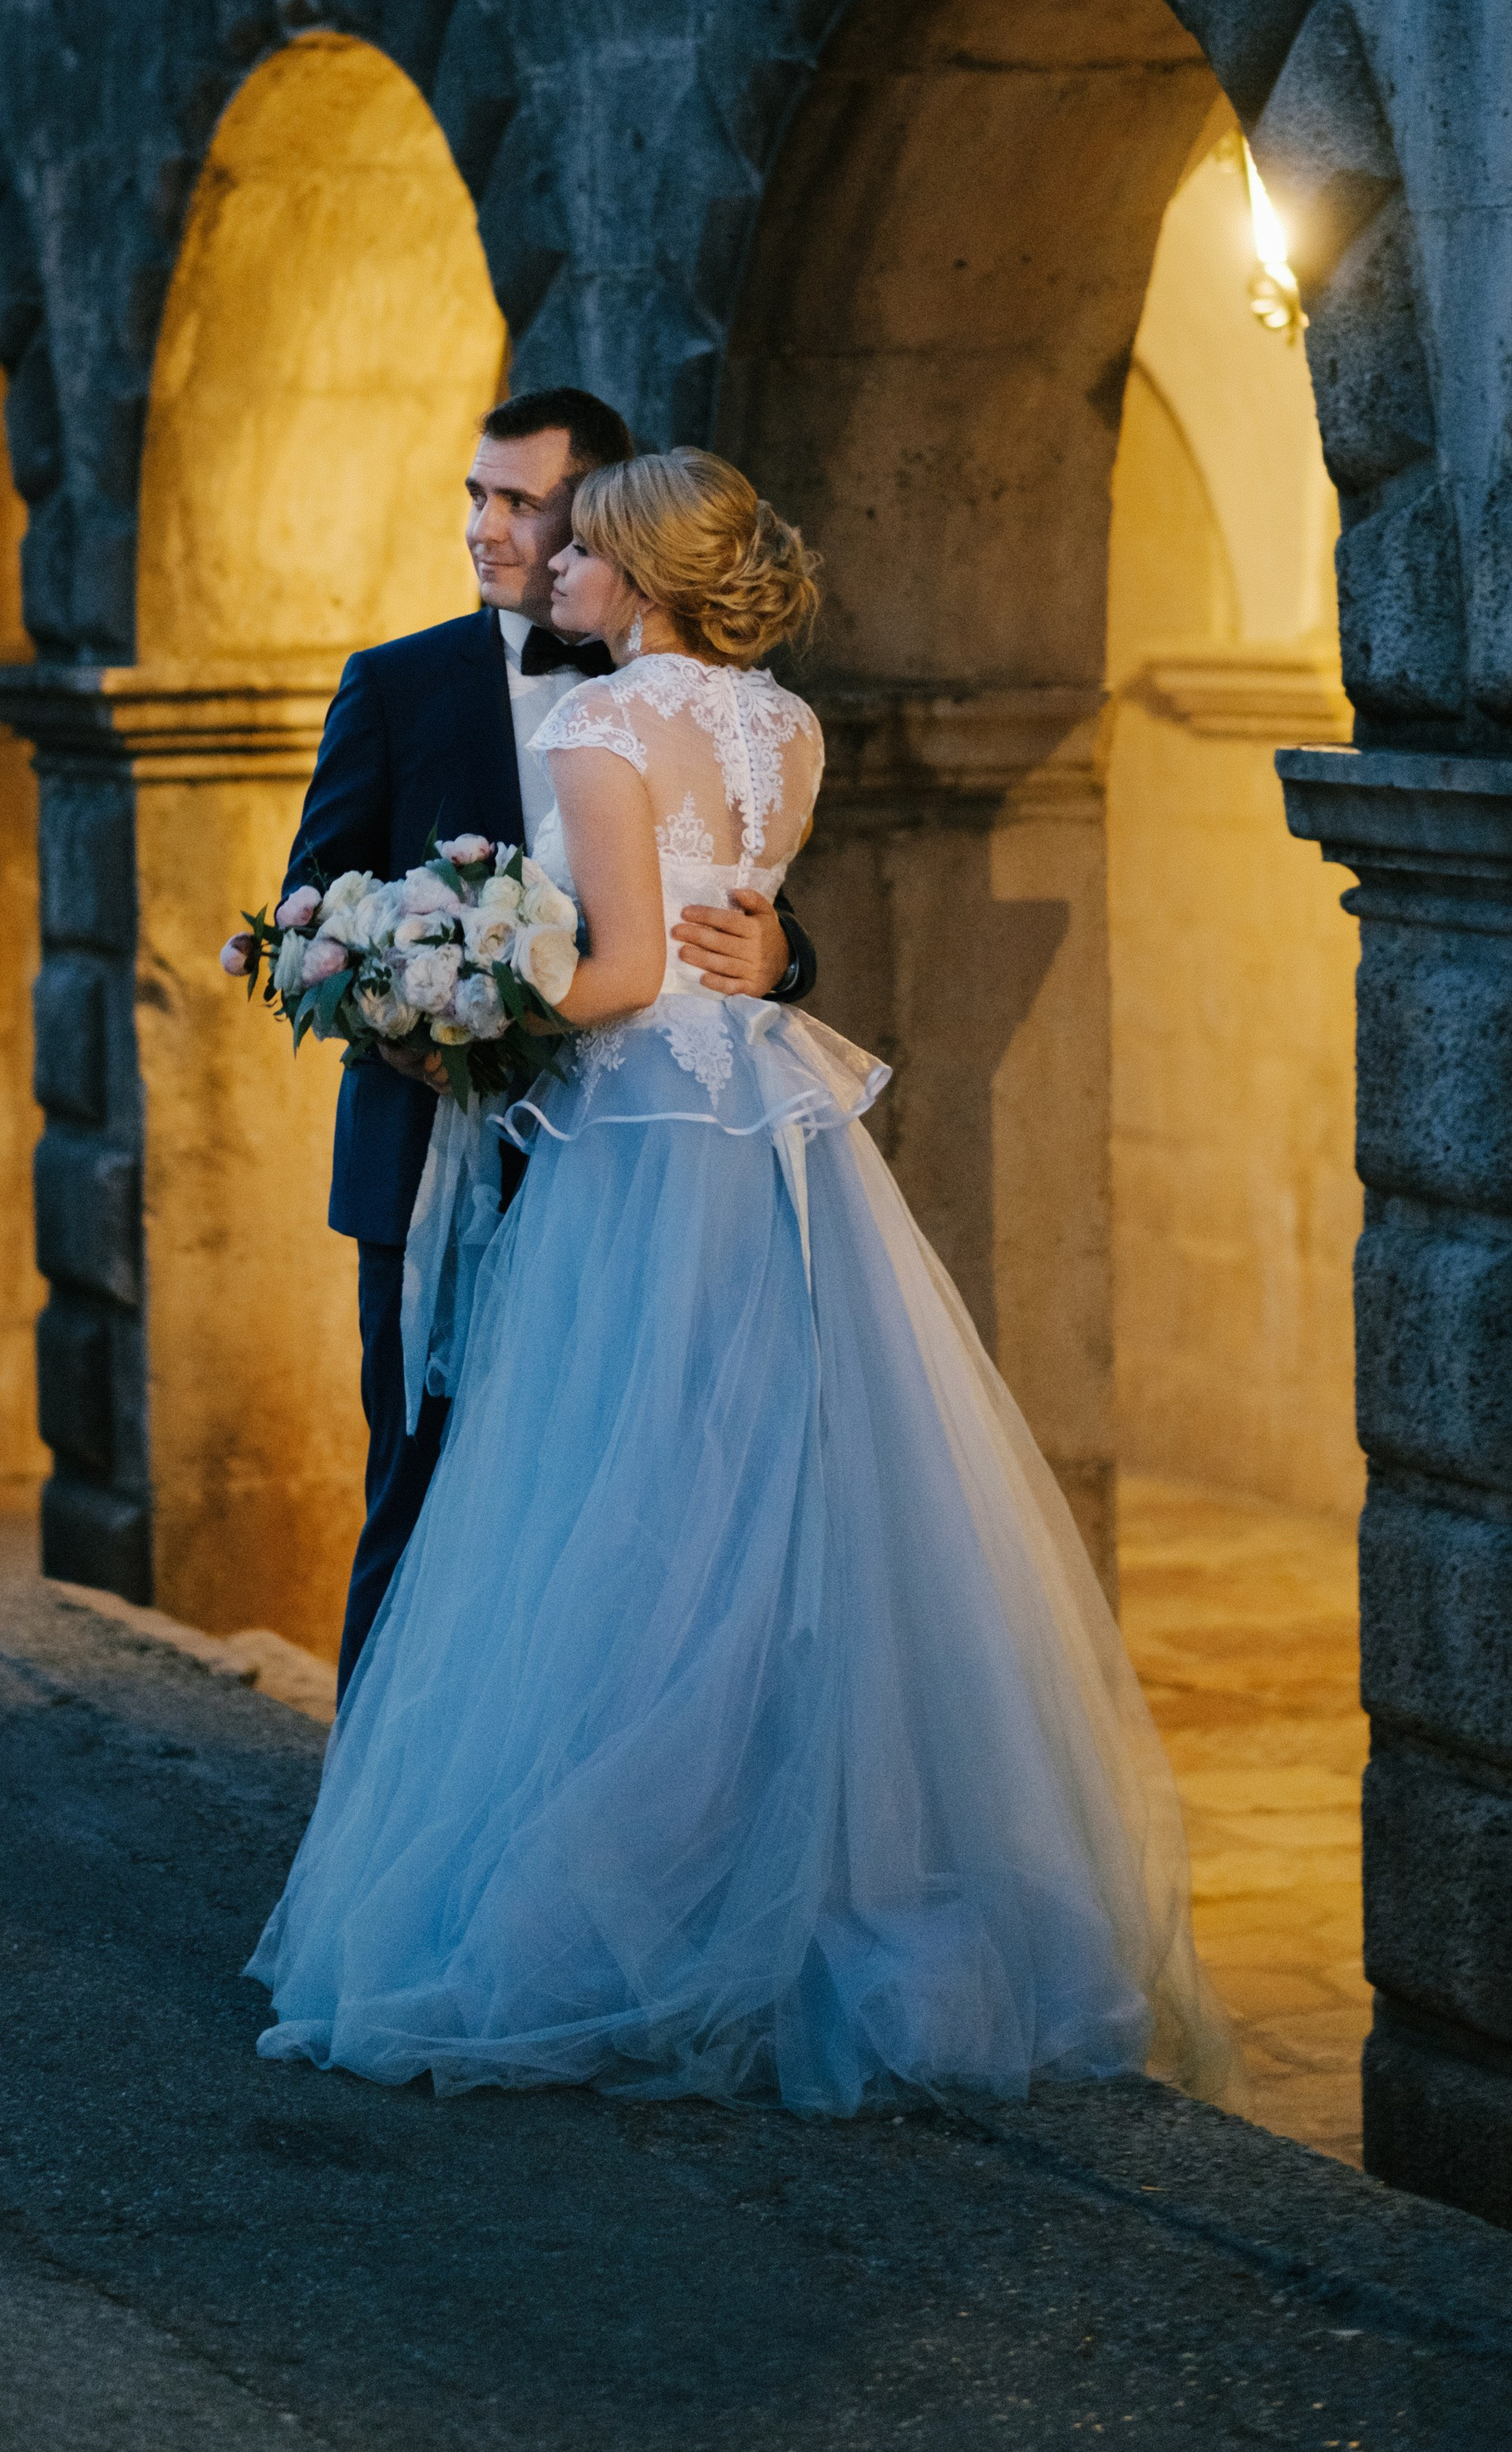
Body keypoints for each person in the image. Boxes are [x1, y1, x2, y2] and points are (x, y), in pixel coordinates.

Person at [248, 449, 1232, 2117]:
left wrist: (460, 990)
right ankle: (789, 1874)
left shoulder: (600, 727)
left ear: (633, 575)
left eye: (582, 549)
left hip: (639, 1143)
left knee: (609, 1500)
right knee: (776, 1489)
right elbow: (733, 924)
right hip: (769, 1133)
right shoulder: (787, 728)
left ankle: (626, 1901)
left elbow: (624, 973)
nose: (550, 563)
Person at [272, 388, 819, 1699]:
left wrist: (789, 957)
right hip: (433, 1164)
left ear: (608, 523)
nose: (487, 527)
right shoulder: (399, 686)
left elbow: (721, 904)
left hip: (639, 1158)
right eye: (478, 495)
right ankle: (373, 1839)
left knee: (626, 1518)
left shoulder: (676, 704)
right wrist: (407, 1010)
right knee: (420, 1509)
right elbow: (308, 920)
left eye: (523, 504)